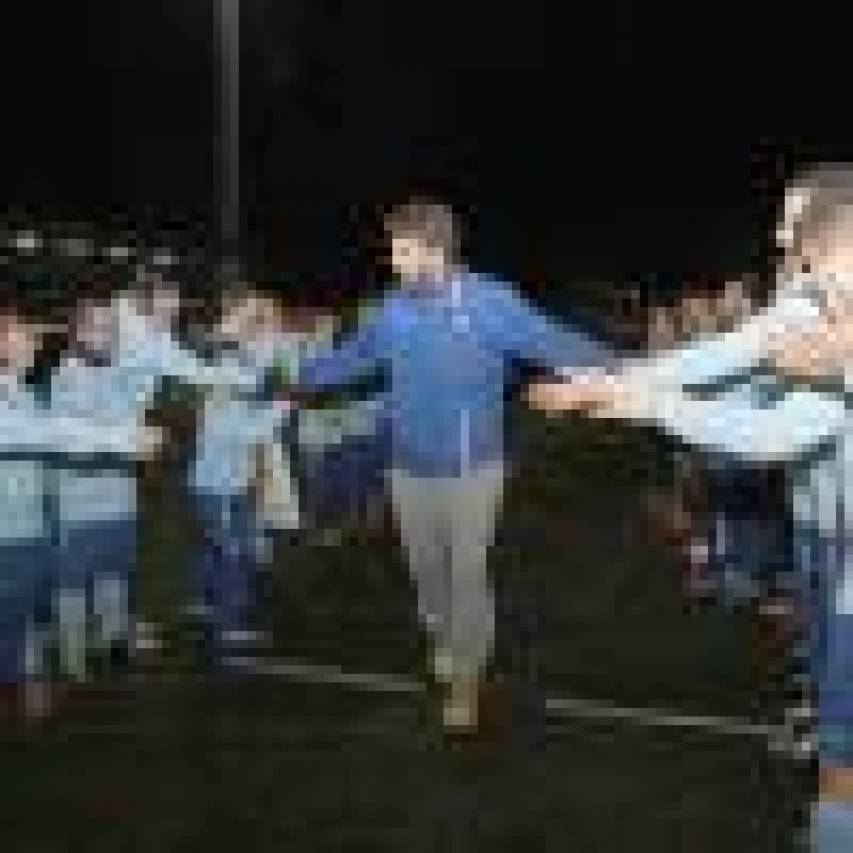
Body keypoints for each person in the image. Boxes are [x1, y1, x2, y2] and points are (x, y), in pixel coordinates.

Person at [527, 162, 853, 849]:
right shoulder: (816, 311)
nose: (778, 235)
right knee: (836, 693)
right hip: (838, 541)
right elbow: (762, 403)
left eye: (795, 223)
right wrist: (628, 391)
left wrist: (639, 395)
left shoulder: (826, 317)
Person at [289, 196, 609, 736]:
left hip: (473, 471)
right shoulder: (392, 310)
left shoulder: (490, 303)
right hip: (408, 468)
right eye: (392, 249)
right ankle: (444, 633)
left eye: (401, 250)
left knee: (466, 574)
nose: (391, 261)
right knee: (426, 575)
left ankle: (466, 679)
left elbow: (554, 341)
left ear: (434, 250)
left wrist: (633, 370)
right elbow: (358, 356)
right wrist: (300, 378)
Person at [0, 285, 160, 719]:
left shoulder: (30, 390)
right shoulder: (64, 377)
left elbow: (140, 396)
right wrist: (124, 436)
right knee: (65, 587)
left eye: (113, 327)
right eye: (101, 327)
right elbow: (64, 435)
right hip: (72, 507)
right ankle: (69, 661)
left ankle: (107, 642)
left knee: (102, 576)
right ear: (80, 332)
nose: (110, 334)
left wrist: (150, 329)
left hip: (99, 503)